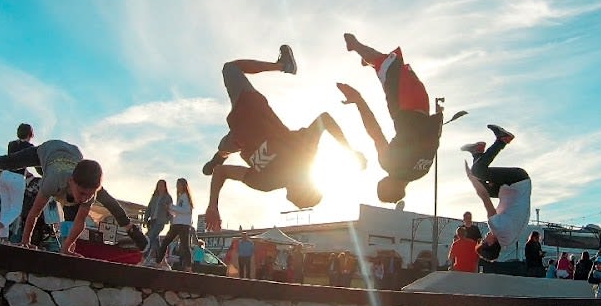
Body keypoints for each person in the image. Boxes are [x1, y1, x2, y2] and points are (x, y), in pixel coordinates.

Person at [201, 46, 366, 232]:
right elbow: (325, 119)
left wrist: (213, 205)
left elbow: (221, 172)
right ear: (300, 186)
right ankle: (283, 65)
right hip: (251, 107)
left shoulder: (266, 183)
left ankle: (219, 156)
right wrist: (350, 151)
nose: (291, 200)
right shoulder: (302, 155)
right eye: (297, 200)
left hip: (239, 135)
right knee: (230, 68)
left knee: (225, 146)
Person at [0, 138, 147, 253]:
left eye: (88, 194)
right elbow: (33, 214)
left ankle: (132, 230)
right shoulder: (53, 180)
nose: (83, 198)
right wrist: (25, 241)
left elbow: (80, 222)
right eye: (81, 193)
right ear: (71, 182)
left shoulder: (90, 192)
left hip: (74, 156)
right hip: (46, 152)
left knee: (108, 200)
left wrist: (67, 248)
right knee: (6, 162)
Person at [336, 33, 443, 204]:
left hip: (423, 104)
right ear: (390, 187)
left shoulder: (422, 171)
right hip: (403, 105)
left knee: (391, 66)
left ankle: (370, 60)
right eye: (381, 186)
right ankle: (356, 47)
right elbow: (375, 132)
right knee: (389, 66)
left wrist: (439, 115)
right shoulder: (389, 165)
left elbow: (434, 140)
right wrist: (358, 100)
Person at [460, 124, 533, 265]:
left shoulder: (507, 239)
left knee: (482, 183)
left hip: (514, 188)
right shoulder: (497, 228)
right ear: (491, 243)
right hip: (516, 181)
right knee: (477, 172)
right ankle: (502, 140)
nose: (483, 237)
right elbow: (484, 197)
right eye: (483, 241)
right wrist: (470, 177)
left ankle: (477, 152)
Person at [154, 178, 196, 270]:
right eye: (177, 185)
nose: (177, 187)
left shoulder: (185, 197)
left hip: (182, 225)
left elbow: (186, 210)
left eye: (179, 185)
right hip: (178, 224)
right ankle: (159, 262)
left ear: (183, 186)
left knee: (184, 245)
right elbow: (179, 212)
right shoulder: (181, 197)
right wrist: (170, 209)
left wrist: (171, 206)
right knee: (167, 242)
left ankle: (188, 266)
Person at [142, 179, 172, 266]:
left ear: (165, 187)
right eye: (159, 185)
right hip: (152, 221)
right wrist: (145, 219)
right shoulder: (154, 197)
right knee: (155, 242)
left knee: (149, 237)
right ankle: (162, 261)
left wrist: (168, 220)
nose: (160, 187)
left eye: (162, 185)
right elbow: (149, 208)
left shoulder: (168, 198)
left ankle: (143, 258)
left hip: (160, 222)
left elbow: (171, 210)